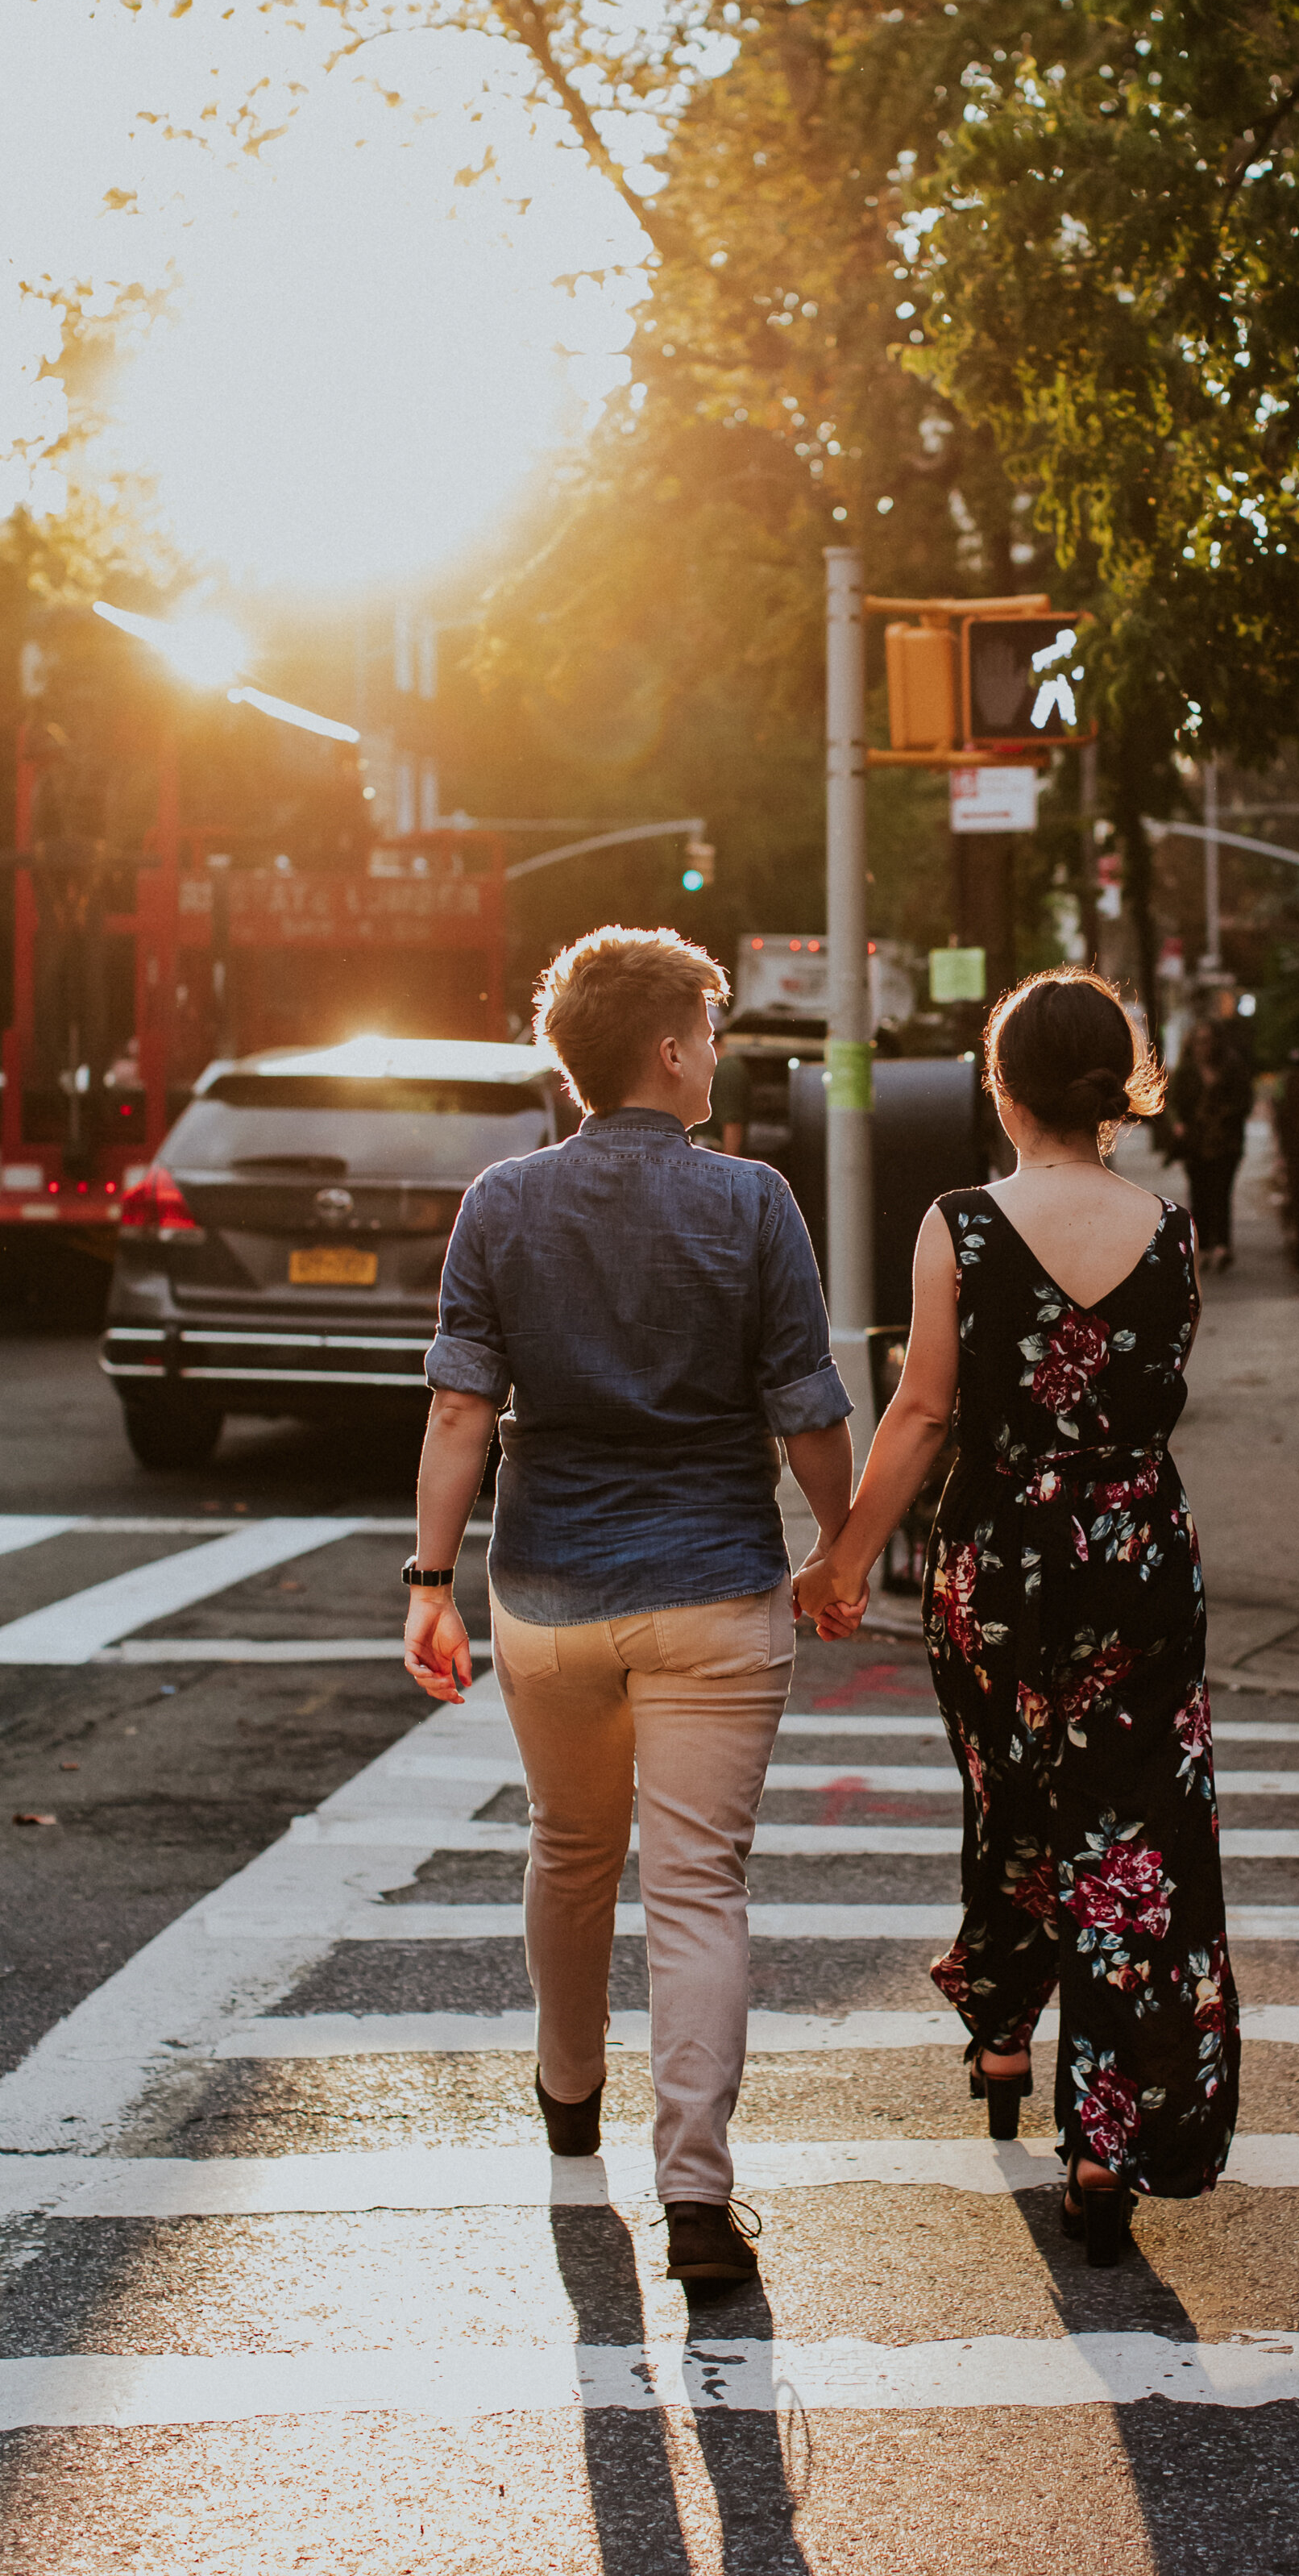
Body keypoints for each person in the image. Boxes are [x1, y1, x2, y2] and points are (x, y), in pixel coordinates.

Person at [402, 924, 856, 2287]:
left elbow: (460, 1407)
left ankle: (567, 2088)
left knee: (570, 1850)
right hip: (716, 1586)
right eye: (709, 1032)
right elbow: (808, 1410)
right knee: (701, 1885)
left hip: (548, 1588)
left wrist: (430, 1582)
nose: (716, 1054)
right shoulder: (754, 1201)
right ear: (668, 1046)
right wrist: (842, 1547)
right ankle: (700, 2198)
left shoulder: (503, 1201)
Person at [795, 968, 1240, 2265]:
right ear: (1121, 1088)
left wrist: (840, 1561)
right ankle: (1106, 2149)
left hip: (1000, 1563)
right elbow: (1153, 1394)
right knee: (1132, 1842)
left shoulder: (961, 1225)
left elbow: (925, 1412)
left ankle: (1002, 2034)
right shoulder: (1171, 1230)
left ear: (1001, 1084)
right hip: (1143, 1558)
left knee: (1013, 1797)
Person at [1163, 1017, 1253, 1270]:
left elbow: (1243, 1102)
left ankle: (1222, 1245)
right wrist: (1179, 1124)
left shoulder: (1231, 1067)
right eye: (1199, 1042)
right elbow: (1176, 1102)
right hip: (1196, 1143)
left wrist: (1222, 1116)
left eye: (1207, 1041)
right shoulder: (1188, 1070)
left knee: (1221, 1193)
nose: (1203, 1047)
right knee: (1199, 1193)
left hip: (1226, 1144)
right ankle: (1202, 1247)